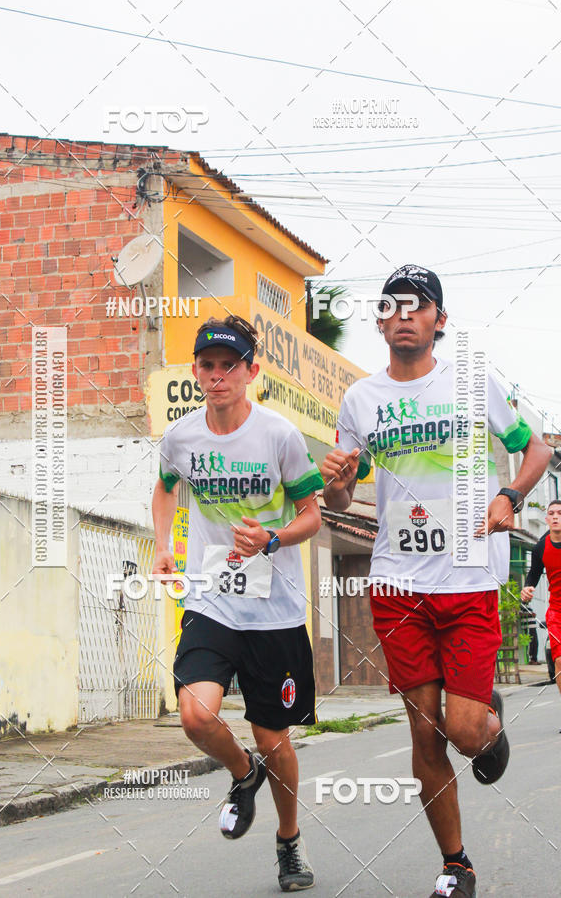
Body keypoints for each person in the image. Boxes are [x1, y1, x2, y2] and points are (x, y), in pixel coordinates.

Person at [321, 264, 551, 898]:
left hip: (470, 577)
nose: (401, 314)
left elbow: (538, 450)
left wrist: (509, 493)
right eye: (389, 306)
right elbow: (339, 501)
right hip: (398, 585)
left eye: (415, 305)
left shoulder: (473, 382)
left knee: (464, 730)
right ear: (380, 321)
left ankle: (488, 725)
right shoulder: (360, 400)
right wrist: (338, 480)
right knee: (425, 732)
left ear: (438, 320)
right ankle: (456, 864)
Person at [152, 314, 323, 892]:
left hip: (274, 607)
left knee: (274, 739)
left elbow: (313, 516)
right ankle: (240, 770)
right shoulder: (182, 437)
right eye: (208, 365)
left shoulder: (279, 436)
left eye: (230, 366)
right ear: (196, 371)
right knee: (196, 713)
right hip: (212, 598)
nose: (218, 376)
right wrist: (162, 548)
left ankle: (289, 842)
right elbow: (164, 488)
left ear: (252, 371)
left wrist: (272, 538)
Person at [521, 498, 561, 728]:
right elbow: (533, 575)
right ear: (547, 519)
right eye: (552, 513)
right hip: (556, 611)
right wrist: (527, 588)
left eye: (559, 513)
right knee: (558, 661)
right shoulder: (540, 547)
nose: (555, 516)